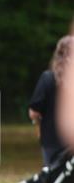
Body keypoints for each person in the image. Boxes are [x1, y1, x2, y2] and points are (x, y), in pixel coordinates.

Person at [28, 35, 73, 165]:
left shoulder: (47, 78)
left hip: (51, 142)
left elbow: (34, 112)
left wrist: (37, 124)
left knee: (54, 179)